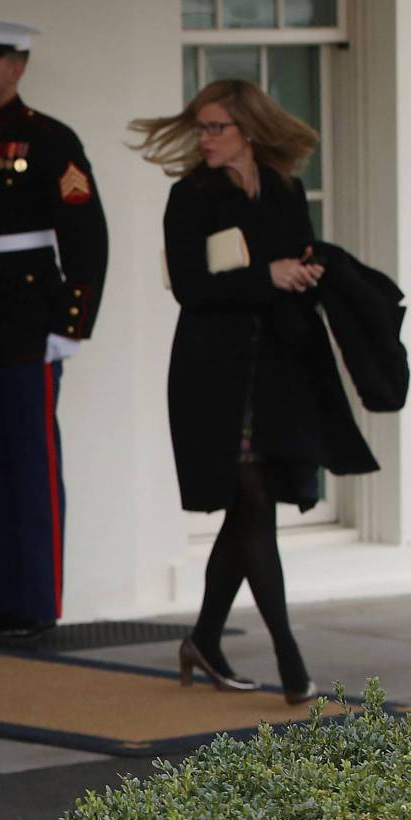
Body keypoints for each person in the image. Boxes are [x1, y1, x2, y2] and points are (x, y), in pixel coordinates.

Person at [130, 80, 377, 702]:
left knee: (248, 510)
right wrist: (266, 275)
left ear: (248, 129)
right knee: (252, 503)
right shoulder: (190, 196)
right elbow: (190, 286)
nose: (206, 139)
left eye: (217, 127)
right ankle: (291, 661)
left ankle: (205, 640)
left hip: (277, 370)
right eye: (202, 127)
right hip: (214, 374)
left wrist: (306, 270)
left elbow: (294, 260)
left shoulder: (285, 189)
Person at [0, 17, 108, 643]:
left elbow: (86, 236)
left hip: (30, 322)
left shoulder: (49, 139)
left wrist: (73, 321)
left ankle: (38, 606)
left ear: (17, 67)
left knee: (31, 466)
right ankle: (1, 606)